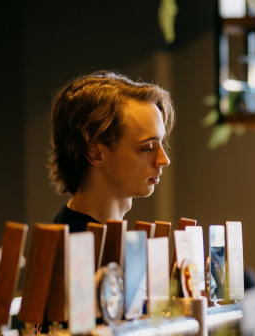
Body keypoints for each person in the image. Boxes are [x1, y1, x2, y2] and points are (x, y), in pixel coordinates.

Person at [49, 71, 174, 232]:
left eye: (161, 142)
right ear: (95, 153)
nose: (164, 160)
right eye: (147, 148)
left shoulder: (94, 233)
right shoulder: (76, 243)